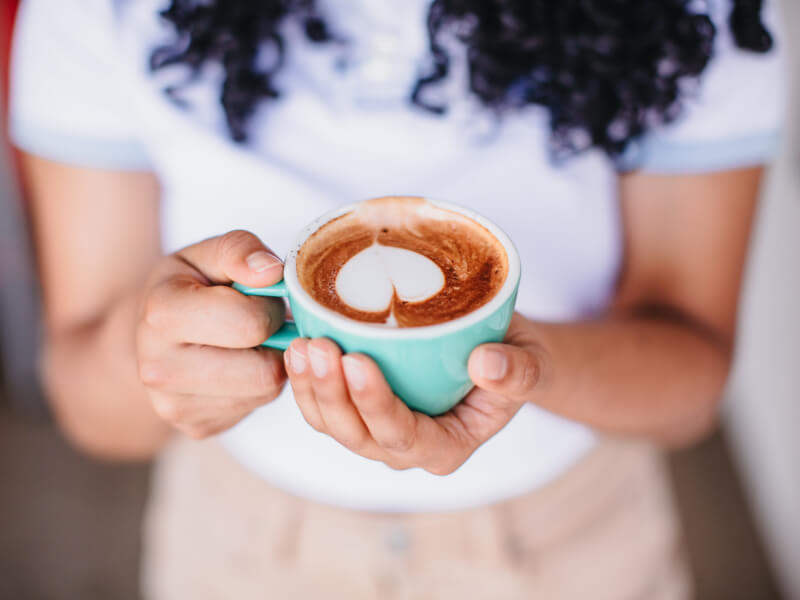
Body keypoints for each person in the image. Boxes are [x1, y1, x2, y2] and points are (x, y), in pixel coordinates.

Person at [9, 0, 786, 598]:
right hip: (241, 546)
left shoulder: (690, 15)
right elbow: (90, 405)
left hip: (575, 542)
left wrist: (531, 364)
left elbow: (691, 378)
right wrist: (153, 352)